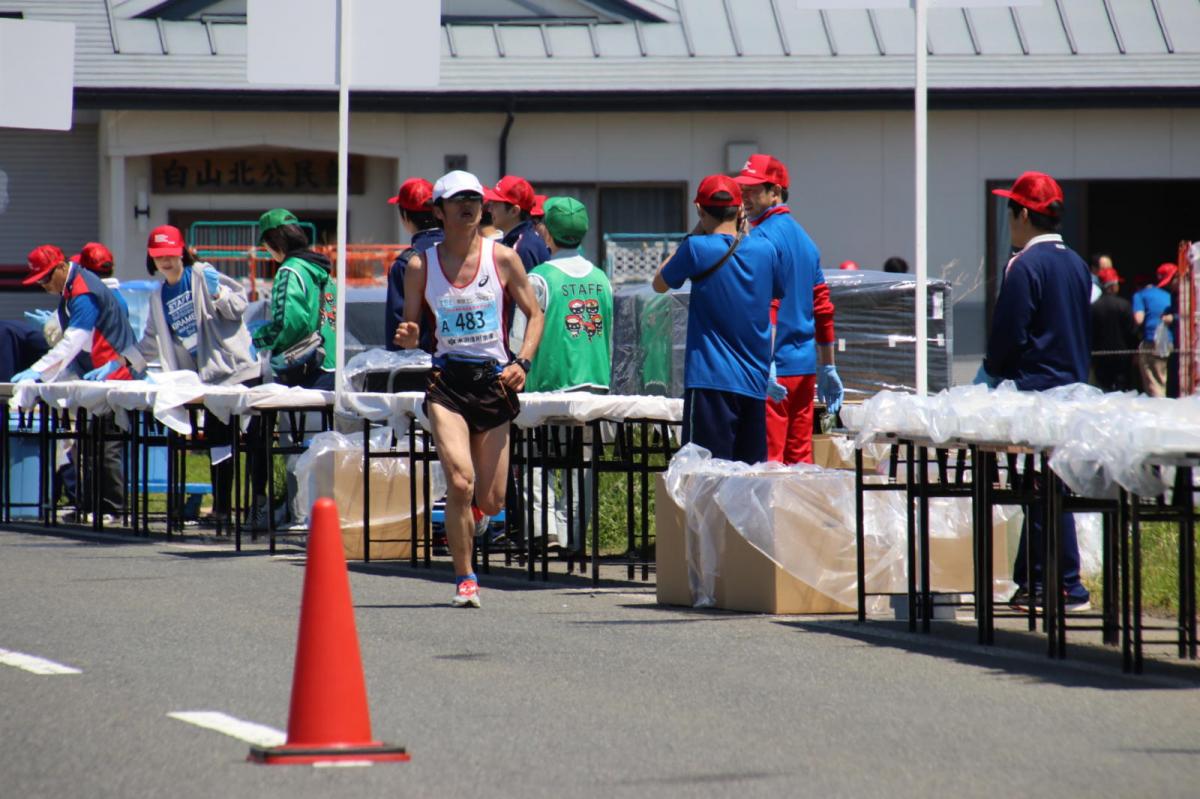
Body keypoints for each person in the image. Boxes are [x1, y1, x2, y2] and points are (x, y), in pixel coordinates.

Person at [393, 170, 544, 608]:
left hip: (494, 381)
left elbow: (534, 315)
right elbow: (411, 328)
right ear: (438, 211)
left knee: (491, 500)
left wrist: (524, 362)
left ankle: (472, 519)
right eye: (457, 200)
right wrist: (407, 336)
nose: (469, 206)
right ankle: (465, 579)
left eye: (475, 200)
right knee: (460, 481)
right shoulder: (422, 265)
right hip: (447, 382)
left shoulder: (503, 259)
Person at [974, 170, 1091, 612]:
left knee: (1041, 490)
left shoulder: (1025, 265)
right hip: (1075, 390)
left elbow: (1007, 336)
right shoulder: (1078, 264)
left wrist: (992, 375)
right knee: (1050, 485)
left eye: (1011, 210)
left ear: (1022, 213)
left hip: (1037, 393)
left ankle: (1057, 583)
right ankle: (1037, 579)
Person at [653, 174, 784, 464]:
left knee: (704, 477)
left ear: (700, 209)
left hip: (710, 381)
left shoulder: (697, 248)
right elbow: (776, 293)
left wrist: (696, 231)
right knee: (747, 482)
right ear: (740, 210)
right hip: (754, 383)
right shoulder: (766, 251)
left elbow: (659, 283)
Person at [138, 225, 260, 534]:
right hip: (207, 380)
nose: (165, 260)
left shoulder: (202, 274)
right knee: (218, 441)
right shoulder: (158, 295)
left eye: (170, 253)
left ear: (182, 251)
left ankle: (249, 508)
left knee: (243, 441)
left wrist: (217, 292)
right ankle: (223, 507)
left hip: (237, 372)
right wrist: (127, 362)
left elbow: (238, 308)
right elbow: (151, 339)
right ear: (151, 257)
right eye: (158, 254)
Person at [13, 244, 142, 523]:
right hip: (94, 377)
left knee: (107, 445)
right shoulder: (70, 290)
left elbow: (74, 340)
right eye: (39, 281)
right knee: (88, 446)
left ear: (61, 267)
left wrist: (36, 371)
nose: (44, 285)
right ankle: (92, 504)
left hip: (114, 376)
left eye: (47, 278)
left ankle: (113, 508)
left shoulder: (83, 290)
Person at [510, 196, 612, 549]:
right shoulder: (602, 278)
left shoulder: (539, 278)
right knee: (579, 466)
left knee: (535, 458)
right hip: (595, 385)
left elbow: (517, 337)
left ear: (547, 232)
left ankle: (543, 529)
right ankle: (574, 537)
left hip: (548, 386)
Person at [734, 153, 842, 465]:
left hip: (773, 370)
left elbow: (767, 306)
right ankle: (799, 516)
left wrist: (765, 362)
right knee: (801, 462)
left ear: (776, 192)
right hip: (805, 370)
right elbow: (823, 309)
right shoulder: (807, 242)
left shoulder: (760, 240)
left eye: (754, 190)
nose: (746, 198)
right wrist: (828, 366)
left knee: (769, 464)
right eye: (743, 190)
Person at [252, 209, 337, 391]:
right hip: (331, 364)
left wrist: (256, 339)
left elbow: (289, 325)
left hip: (305, 370)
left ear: (273, 241)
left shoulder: (290, 271)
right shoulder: (319, 269)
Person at [385, 177, 444, 352]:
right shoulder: (459, 251)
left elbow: (398, 326)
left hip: (422, 366)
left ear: (404, 216)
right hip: (466, 360)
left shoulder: (407, 262)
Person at [483, 175, 551, 272]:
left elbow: (527, 287)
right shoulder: (526, 238)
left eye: (496, 204)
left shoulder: (522, 248)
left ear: (514, 211)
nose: (490, 209)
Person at [1132, 262, 1176, 398]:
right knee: (1164, 380)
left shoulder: (1139, 295)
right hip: (1170, 341)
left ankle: (1158, 414)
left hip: (1153, 341)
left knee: (1153, 383)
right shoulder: (1167, 294)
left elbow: (1138, 319)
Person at [1090, 266, 1138, 392]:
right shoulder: (1124, 305)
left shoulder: (1094, 307)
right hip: (1123, 357)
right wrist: (1135, 350)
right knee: (1123, 392)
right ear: (1113, 285)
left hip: (1100, 357)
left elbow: (1089, 334)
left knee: (1104, 391)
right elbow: (1132, 332)